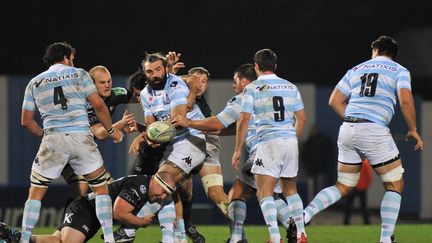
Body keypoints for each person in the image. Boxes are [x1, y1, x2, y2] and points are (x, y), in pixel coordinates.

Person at [302, 36, 423, 243]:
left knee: (343, 186)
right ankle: (386, 239)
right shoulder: (400, 71)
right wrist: (412, 128)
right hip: (374, 130)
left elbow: (334, 101)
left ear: (375, 49)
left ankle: (303, 216)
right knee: (395, 184)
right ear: (393, 54)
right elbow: (405, 98)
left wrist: (354, 119)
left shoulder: (356, 69)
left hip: (348, 128)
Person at [20, 42, 123, 243]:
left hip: (53, 139)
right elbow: (99, 105)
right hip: (81, 138)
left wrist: (46, 135)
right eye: (71, 57)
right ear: (67, 57)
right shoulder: (79, 74)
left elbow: (25, 121)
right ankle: (110, 238)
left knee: (35, 193)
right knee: (101, 189)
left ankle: (24, 238)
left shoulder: (34, 82)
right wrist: (111, 130)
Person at [232, 49, 308, 243]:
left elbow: (244, 119)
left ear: (256, 66)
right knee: (291, 190)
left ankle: (275, 238)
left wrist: (238, 149)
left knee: (264, 192)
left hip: (268, 142)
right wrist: (292, 138)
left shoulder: (253, 88)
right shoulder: (291, 87)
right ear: (275, 66)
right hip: (290, 142)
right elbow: (302, 118)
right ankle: (301, 234)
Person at [140, 52, 207, 241]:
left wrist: (156, 134)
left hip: (192, 139)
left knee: (161, 182)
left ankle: (128, 228)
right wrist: (149, 136)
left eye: (158, 69)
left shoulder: (176, 84)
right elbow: (150, 123)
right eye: (149, 71)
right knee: (179, 190)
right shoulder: (145, 94)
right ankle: (177, 236)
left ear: (165, 69)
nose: (154, 74)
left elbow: (178, 118)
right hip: (172, 145)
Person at [0, 172, 176, 243]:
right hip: (86, 209)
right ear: (155, 180)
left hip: (93, 216)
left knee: (58, 241)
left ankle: (13, 236)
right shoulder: (140, 186)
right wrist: (141, 222)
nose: (162, 195)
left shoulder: (145, 188)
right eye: (163, 190)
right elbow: (118, 212)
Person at [61, 65, 137, 209]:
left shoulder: (116, 94)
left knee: (106, 189)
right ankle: (66, 227)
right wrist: (120, 125)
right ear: (91, 85)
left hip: (82, 151)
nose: (107, 85)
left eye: (109, 81)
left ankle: (77, 222)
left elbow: (141, 97)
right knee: (81, 188)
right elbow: (99, 133)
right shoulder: (86, 104)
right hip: (66, 150)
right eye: (102, 83)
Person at [343, 159, 372, 225]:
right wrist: (366, 186)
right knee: (363, 206)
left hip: (355, 186)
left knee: (349, 205)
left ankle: (346, 223)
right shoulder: (365, 162)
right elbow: (369, 176)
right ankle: (366, 223)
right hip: (360, 187)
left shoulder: (355, 161)